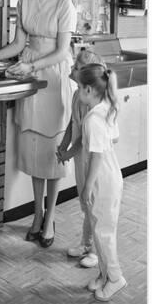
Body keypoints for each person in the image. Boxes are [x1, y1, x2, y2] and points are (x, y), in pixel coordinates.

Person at [0, 0, 77, 247]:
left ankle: (49, 218)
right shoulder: (24, 0)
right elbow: (17, 44)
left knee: (52, 151)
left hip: (52, 77)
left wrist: (32, 66)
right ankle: (36, 215)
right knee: (34, 150)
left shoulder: (64, 3)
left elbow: (63, 51)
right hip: (28, 74)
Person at [76, 63, 126, 301]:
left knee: (104, 233)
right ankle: (104, 274)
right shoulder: (105, 108)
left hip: (102, 181)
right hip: (108, 177)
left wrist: (86, 186)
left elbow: (96, 155)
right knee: (99, 230)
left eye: (78, 87)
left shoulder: (93, 119)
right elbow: (113, 140)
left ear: (88, 89)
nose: (76, 91)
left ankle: (115, 278)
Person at [57, 50, 106, 269]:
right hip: (80, 158)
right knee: (85, 203)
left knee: (93, 204)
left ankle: (96, 251)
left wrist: (69, 151)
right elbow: (71, 124)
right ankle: (86, 244)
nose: (72, 69)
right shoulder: (79, 94)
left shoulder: (95, 105)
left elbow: (86, 139)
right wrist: (63, 145)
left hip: (93, 159)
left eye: (76, 67)